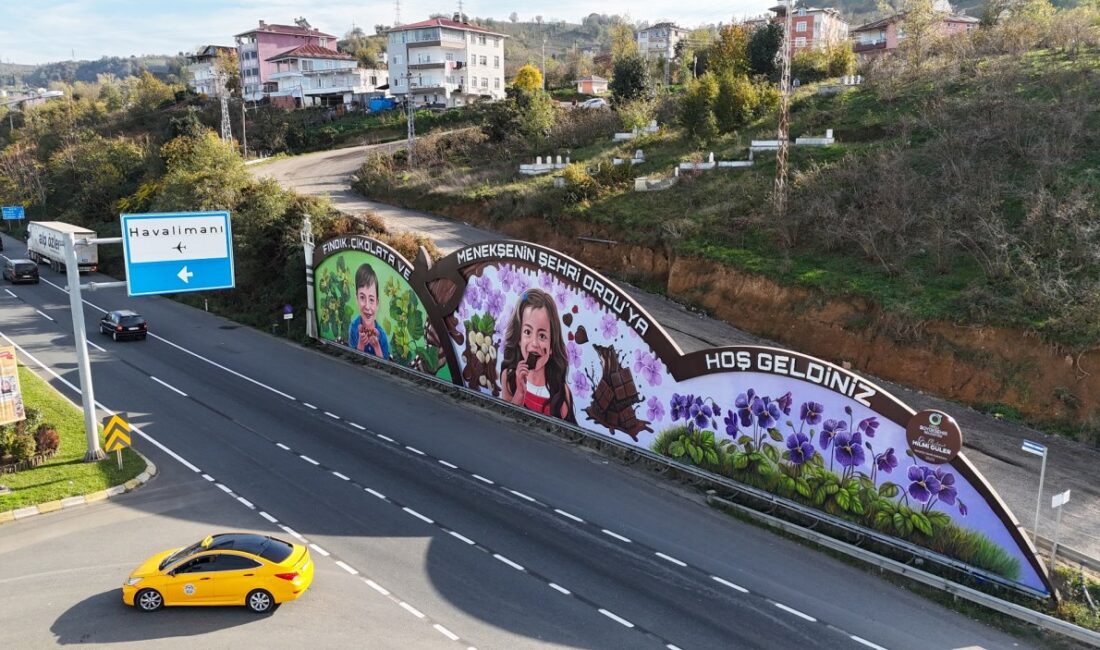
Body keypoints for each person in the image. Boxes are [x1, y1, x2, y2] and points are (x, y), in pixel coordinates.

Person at [500, 288, 576, 423]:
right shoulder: (509, 377)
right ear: (519, 338)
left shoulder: (561, 392)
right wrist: (520, 393)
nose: (534, 343)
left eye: (542, 336)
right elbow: (504, 422)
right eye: (527, 332)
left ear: (552, 345)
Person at [347, 263, 390, 359]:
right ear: (356, 298)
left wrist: (377, 346)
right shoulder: (354, 328)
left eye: (371, 299)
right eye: (362, 297)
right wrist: (361, 344)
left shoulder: (381, 335)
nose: (367, 306)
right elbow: (354, 358)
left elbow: (385, 364)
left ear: (377, 303)